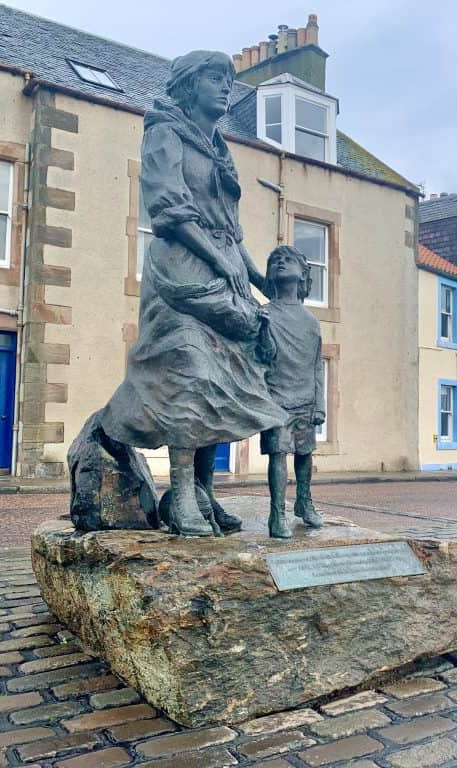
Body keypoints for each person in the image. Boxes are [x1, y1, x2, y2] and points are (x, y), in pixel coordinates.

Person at [97, 51, 287, 536]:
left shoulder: (219, 147)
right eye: (214, 78)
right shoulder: (163, 132)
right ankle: (180, 495)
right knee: (191, 374)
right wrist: (221, 260)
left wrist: (253, 275)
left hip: (223, 271)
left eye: (228, 79)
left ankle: (203, 492)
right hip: (182, 271)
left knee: (224, 382)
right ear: (189, 84)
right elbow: (168, 211)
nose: (225, 87)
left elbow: (232, 230)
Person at [256, 246, 325, 539]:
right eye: (275, 261)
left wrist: (319, 404)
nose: (281, 263)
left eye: (289, 259)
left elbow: (317, 366)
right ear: (270, 274)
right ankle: (276, 514)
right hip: (276, 399)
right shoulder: (264, 314)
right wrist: (262, 331)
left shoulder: (311, 321)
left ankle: (304, 501)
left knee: (305, 454)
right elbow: (261, 357)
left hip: (305, 400)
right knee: (278, 455)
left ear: (303, 274)